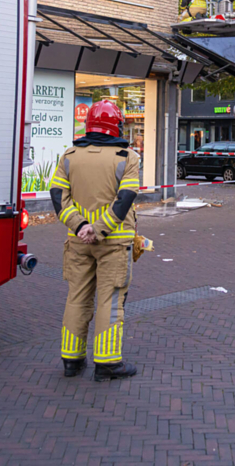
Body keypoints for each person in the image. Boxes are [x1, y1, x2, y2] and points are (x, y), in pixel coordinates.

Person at [50, 99, 142, 381]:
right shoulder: (127, 157)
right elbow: (125, 197)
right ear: (115, 124)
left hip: (77, 242)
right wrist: (99, 229)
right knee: (110, 301)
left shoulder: (69, 155)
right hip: (112, 243)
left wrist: (80, 226)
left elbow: (57, 195)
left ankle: (71, 360)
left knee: (77, 297)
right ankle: (107, 363)